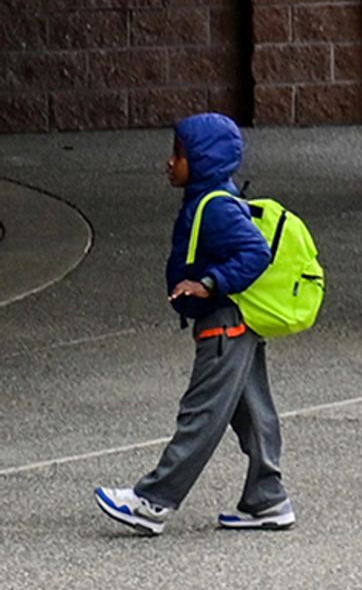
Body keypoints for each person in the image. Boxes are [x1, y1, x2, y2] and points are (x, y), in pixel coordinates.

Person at [93, 113, 293, 536]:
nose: (170, 162)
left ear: (202, 160)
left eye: (179, 154)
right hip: (239, 322)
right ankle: (267, 499)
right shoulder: (214, 198)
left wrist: (208, 284)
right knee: (254, 412)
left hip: (225, 323)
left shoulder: (216, 207)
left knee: (201, 415)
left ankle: (153, 501)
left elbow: (256, 253)